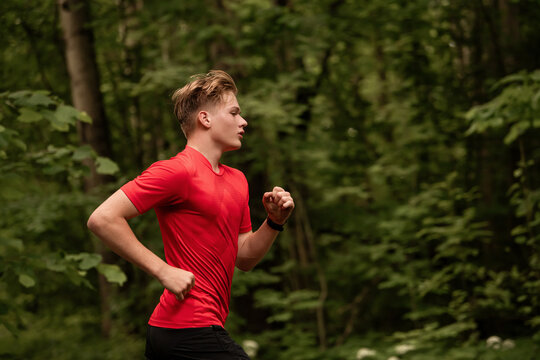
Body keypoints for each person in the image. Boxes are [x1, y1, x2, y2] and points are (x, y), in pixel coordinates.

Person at [87, 70, 295, 360]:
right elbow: (102, 218)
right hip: (187, 328)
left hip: (182, 330)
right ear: (205, 119)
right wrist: (162, 270)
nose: (243, 121)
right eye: (234, 113)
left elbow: (244, 257)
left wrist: (274, 222)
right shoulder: (177, 171)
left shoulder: (237, 180)